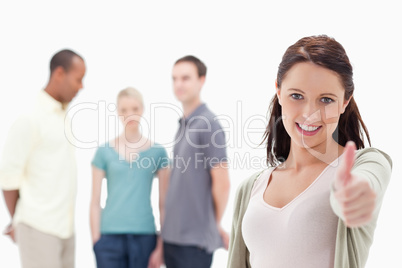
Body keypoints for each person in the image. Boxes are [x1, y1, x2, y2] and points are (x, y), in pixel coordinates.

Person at [227, 35, 392, 268]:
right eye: (297, 96)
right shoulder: (250, 188)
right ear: (278, 90)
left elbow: (367, 183)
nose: (310, 113)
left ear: (345, 102)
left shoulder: (364, 164)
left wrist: (354, 193)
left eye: (326, 99)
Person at [0, 49, 86, 268]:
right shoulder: (31, 117)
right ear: (59, 74)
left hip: (65, 229)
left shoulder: (62, 114)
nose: (81, 86)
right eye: (78, 79)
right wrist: (20, 218)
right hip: (38, 228)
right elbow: (8, 178)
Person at [161, 55, 231, 268]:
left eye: (185, 78)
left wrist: (213, 223)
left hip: (194, 244)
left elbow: (223, 183)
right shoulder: (184, 124)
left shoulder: (208, 124)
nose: (178, 84)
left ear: (202, 80)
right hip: (173, 239)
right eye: (174, 79)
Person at [90, 87, 170, 268]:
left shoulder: (158, 153)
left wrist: (161, 245)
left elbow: (164, 203)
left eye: (134, 109)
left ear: (142, 109)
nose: (130, 115)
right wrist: (97, 241)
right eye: (124, 110)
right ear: (118, 112)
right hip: (109, 237)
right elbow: (94, 201)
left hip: (145, 237)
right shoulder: (104, 152)